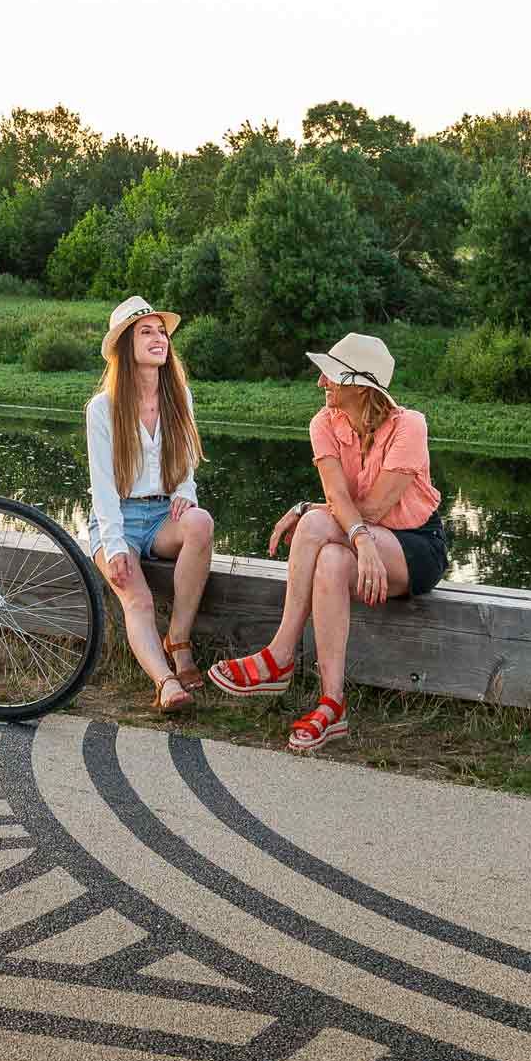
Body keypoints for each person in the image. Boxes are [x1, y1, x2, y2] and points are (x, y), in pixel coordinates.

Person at [209, 331, 447, 753]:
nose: (321, 383)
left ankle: (280, 655)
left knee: (315, 527)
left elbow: (372, 509)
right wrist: (358, 539)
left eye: (331, 377)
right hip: (362, 540)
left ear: (359, 386)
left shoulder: (409, 426)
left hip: (415, 546)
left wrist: (326, 520)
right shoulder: (324, 423)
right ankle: (332, 703)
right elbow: (340, 500)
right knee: (333, 561)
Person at [85, 297, 215, 713]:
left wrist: (184, 491)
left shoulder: (180, 398)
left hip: (162, 515)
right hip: (116, 517)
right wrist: (116, 544)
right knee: (136, 600)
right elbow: (101, 486)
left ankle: (177, 637)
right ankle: (166, 683)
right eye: (147, 332)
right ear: (126, 345)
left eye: (161, 332)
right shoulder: (102, 409)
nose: (159, 339)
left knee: (201, 523)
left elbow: (186, 464)